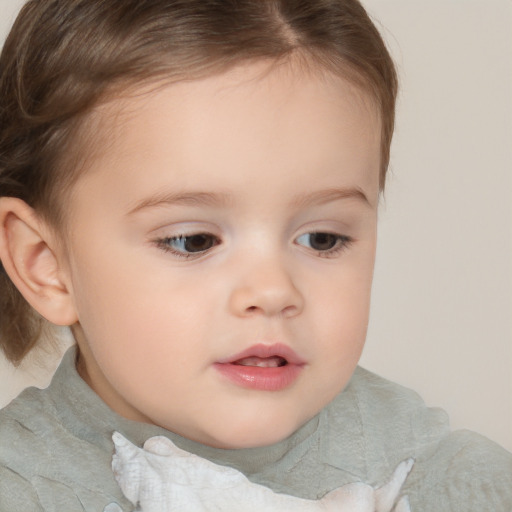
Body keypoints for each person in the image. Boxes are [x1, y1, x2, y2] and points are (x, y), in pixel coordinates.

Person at [0, 1, 510, 511]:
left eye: (322, 239)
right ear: (46, 264)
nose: (273, 290)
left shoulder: (447, 478)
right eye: (194, 240)